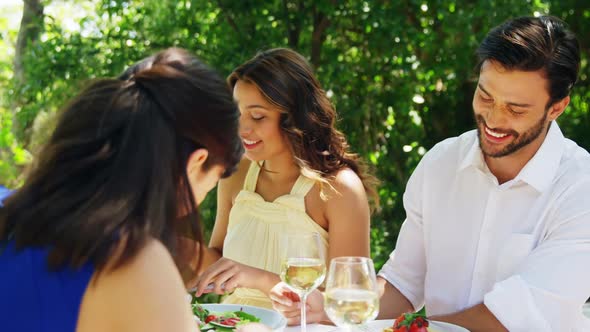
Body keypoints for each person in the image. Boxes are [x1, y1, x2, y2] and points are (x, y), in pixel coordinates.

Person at [271, 16, 590, 331]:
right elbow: (403, 285)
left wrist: (403, 328)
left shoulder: (580, 188)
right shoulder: (441, 163)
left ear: (557, 107)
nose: (493, 118)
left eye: (516, 109)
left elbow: (509, 318)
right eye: (485, 96)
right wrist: (330, 309)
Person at [0, 48, 249, 332]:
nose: (200, 200)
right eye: (211, 182)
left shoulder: (10, 211)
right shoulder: (132, 261)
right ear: (196, 163)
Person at [192, 48, 379, 309]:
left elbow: (350, 305)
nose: (242, 128)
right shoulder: (236, 175)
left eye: (257, 116)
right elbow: (220, 262)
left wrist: (261, 280)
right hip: (234, 324)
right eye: (237, 114)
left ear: (295, 117)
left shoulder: (339, 189)